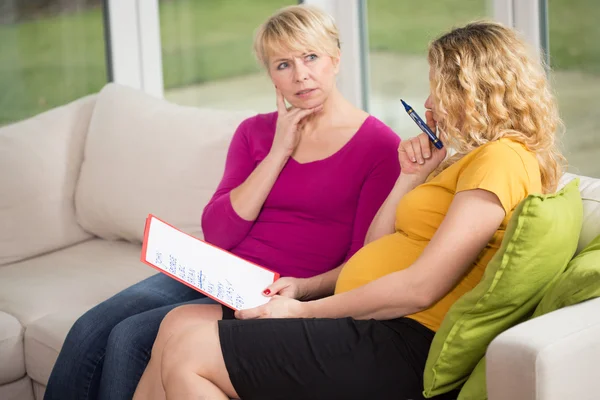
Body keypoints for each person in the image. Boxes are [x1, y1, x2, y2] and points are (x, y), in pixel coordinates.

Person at [146, 20, 566, 400]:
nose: (430, 99)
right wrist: (410, 175)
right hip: (373, 320)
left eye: (438, 86)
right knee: (177, 328)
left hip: (400, 336)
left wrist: (301, 310)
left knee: (189, 354)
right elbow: (375, 247)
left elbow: (421, 288)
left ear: (469, 90)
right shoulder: (466, 159)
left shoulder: (501, 160)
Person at [44, 5, 401, 400]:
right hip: (217, 269)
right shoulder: (255, 132)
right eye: (283, 64)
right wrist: (278, 152)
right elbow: (219, 230)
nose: (300, 74)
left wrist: (300, 290)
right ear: (270, 75)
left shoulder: (380, 147)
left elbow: (362, 260)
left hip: (281, 289)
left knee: (129, 337)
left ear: (335, 59)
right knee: (89, 328)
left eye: (311, 57)